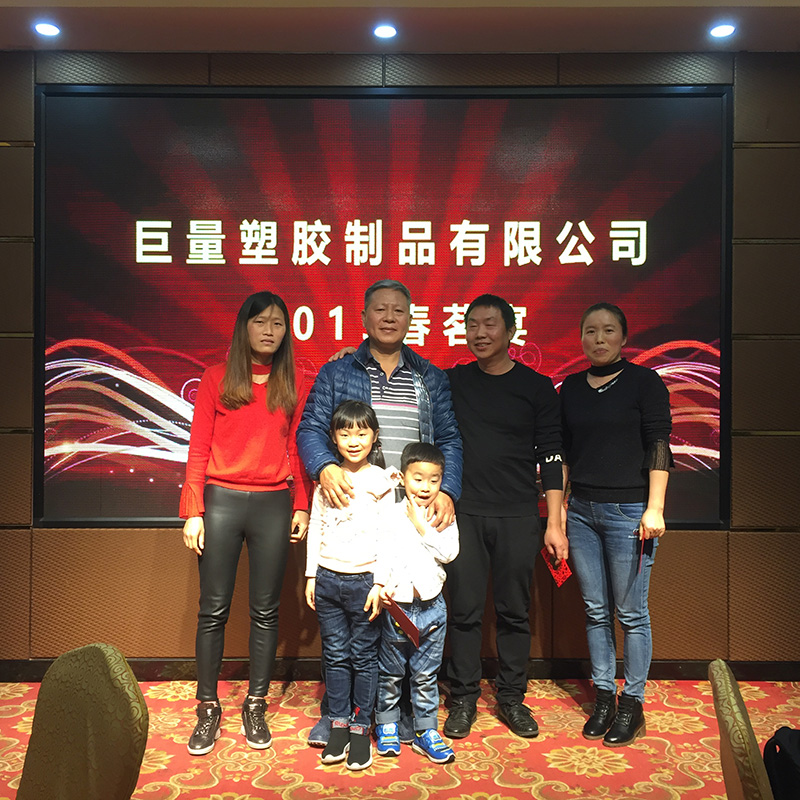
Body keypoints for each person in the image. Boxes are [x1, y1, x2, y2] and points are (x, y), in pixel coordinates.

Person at [297, 278, 462, 745]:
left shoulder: (430, 377)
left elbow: (449, 438)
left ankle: (399, 708)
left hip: (411, 507)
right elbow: (310, 428)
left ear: (411, 318)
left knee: (404, 609)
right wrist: (325, 466)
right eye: (380, 310)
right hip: (355, 511)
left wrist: (448, 490)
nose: (389, 317)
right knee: (354, 627)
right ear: (364, 317)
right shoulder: (338, 372)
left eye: (398, 310)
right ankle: (340, 713)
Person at [180, 291, 312, 756]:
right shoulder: (216, 377)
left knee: (266, 611)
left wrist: (301, 505)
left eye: (277, 323)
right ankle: (208, 707)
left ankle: (255, 705)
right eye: (260, 322)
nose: (269, 330)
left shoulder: (295, 380)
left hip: (274, 502)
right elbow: (198, 447)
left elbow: (297, 448)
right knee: (212, 609)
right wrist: (193, 511)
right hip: (221, 500)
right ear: (244, 327)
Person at [443, 294, 568, 739]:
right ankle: (462, 698)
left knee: (514, 611)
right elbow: (405, 366)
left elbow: (551, 455)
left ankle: (512, 698)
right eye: (472, 325)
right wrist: (352, 355)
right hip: (464, 513)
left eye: (490, 324)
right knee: (464, 612)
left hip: (518, 514)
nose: (480, 333)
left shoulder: (536, 387)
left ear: (511, 331)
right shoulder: (453, 381)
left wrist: (554, 522)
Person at [560, 302, 672, 747]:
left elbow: (658, 445)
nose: (599, 339)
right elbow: (564, 452)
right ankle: (604, 696)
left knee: (631, 613)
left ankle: (633, 703)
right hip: (581, 512)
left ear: (624, 338)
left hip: (630, 512)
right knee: (595, 610)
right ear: (581, 338)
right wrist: (560, 507)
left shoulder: (645, 382)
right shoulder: (571, 387)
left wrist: (655, 507)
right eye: (590, 331)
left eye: (608, 331)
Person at [304, 400, 398, 771]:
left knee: (364, 657)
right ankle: (339, 723)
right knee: (335, 655)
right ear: (334, 438)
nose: (353, 441)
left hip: (365, 584)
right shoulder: (326, 478)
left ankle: (361, 727)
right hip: (328, 578)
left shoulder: (382, 480)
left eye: (361, 433)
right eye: (345, 434)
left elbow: (389, 535)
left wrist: (381, 582)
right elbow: (316, 526)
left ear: (374, 436)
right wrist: (311, 574)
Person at [373, 442, 460, 765]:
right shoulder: (391, 513)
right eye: (418, 478)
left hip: (432, 609)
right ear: (403, 478)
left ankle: (426, 731)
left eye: (433, 480)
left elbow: (449, 553)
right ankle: (387, 724)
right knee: (391, 673)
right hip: (398, 608)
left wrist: (423, 526)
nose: (425, 487)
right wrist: (381, 585)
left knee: (425, 675)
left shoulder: (442, 515)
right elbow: (382, 552)